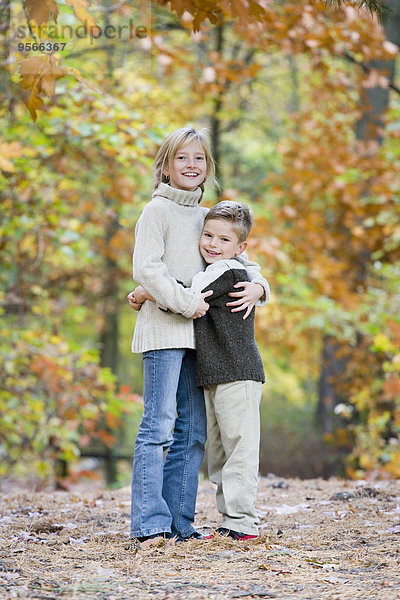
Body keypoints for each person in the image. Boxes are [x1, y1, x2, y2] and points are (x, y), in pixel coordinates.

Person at [128, 126, 269, 543]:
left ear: (207, 168)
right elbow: (148, 269)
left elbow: (233, 260)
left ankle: (179, 523)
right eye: (182, 158)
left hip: (199, 339)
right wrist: (172, 299)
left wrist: (261, 288)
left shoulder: (205, 217)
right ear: (166, 167)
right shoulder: (155, 212)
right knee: (159, 426)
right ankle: (150, 525)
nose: (191, 165)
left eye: (199, 159)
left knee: (192, 433)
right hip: (164, 333)